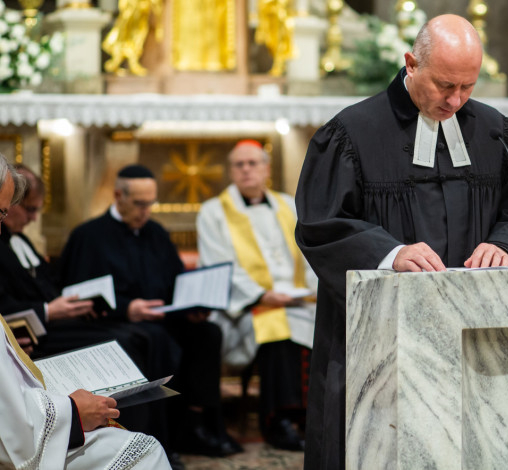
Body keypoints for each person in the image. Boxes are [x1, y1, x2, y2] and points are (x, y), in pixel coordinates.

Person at [294, 13, 508, 469]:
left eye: (467, 87)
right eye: (444, 85)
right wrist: (390, 253)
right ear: (411, 63)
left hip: (474, 328)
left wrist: (506, 244)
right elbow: (321, 223)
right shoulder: (352, 133)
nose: (455, 100)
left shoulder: (495, 132)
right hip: (380, 335)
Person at [58, 164, 241, 461]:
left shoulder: (156, 232)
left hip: (162, 320)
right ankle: (155, 437)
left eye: (150, 204)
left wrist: (191, 307)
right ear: (118, 196)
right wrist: (127, 309)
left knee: (207, 333)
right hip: (113, 324)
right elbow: (77, 296)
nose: (145, 211)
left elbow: (175, 283)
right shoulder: (89, 236)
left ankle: (194, 427)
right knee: (149, 338)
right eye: (139, 203)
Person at [0, 154, 170, 469]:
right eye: (5, 211)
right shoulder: (89, 234)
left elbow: (51, 283)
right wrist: (49, 310)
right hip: (35, 337)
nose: (31, 218)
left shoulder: (19, 241)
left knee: (140, 337)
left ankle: (156, 428)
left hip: (48, 329)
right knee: (122, 344)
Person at [196, 139, 317, 450]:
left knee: (329, 327)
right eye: (239, 164)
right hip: (246, 307)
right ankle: (279, 421)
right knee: (278, 330)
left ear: (266, 169)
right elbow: (218, 266)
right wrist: (261, 295)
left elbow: (310, 253)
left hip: (298, 301)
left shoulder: (289, 205)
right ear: (231, 171)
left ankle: (316, 418)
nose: (246, 170)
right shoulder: (213, 212)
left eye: (253, 163)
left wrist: (314, 290)